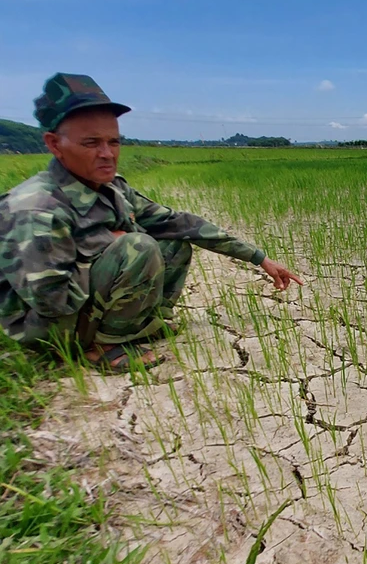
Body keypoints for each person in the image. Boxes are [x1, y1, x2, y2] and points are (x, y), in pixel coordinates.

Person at [0, 73, 303, 372]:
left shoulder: (112, 188)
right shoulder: (35, 209)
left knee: (173, 242)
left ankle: (140, 325)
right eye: (91, 143)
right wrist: (109, 242)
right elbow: (52, 302)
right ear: (55, 144)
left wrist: (259, 257)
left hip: (78, 308)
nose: (107, 154)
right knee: (138, 246)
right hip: (48, 329)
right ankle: (103, 348)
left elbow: (178, 222)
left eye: (114, 142)